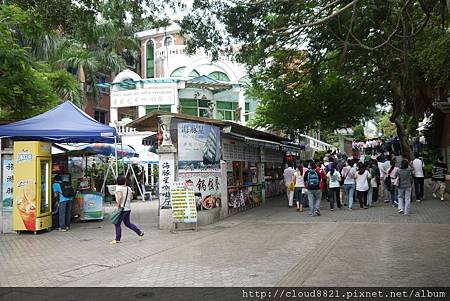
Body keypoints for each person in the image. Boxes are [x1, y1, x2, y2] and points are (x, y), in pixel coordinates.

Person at [111, 175, 144, 244]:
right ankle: (140, 233)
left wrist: (119, 205)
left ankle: (117, 239)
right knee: (127, 223)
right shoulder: (128, 188)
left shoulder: (118, 188)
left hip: (122, 208)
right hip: (128, 208)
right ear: (124, 181)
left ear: (117, 181)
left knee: (117, 224)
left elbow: (119, 197)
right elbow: (131, 197)